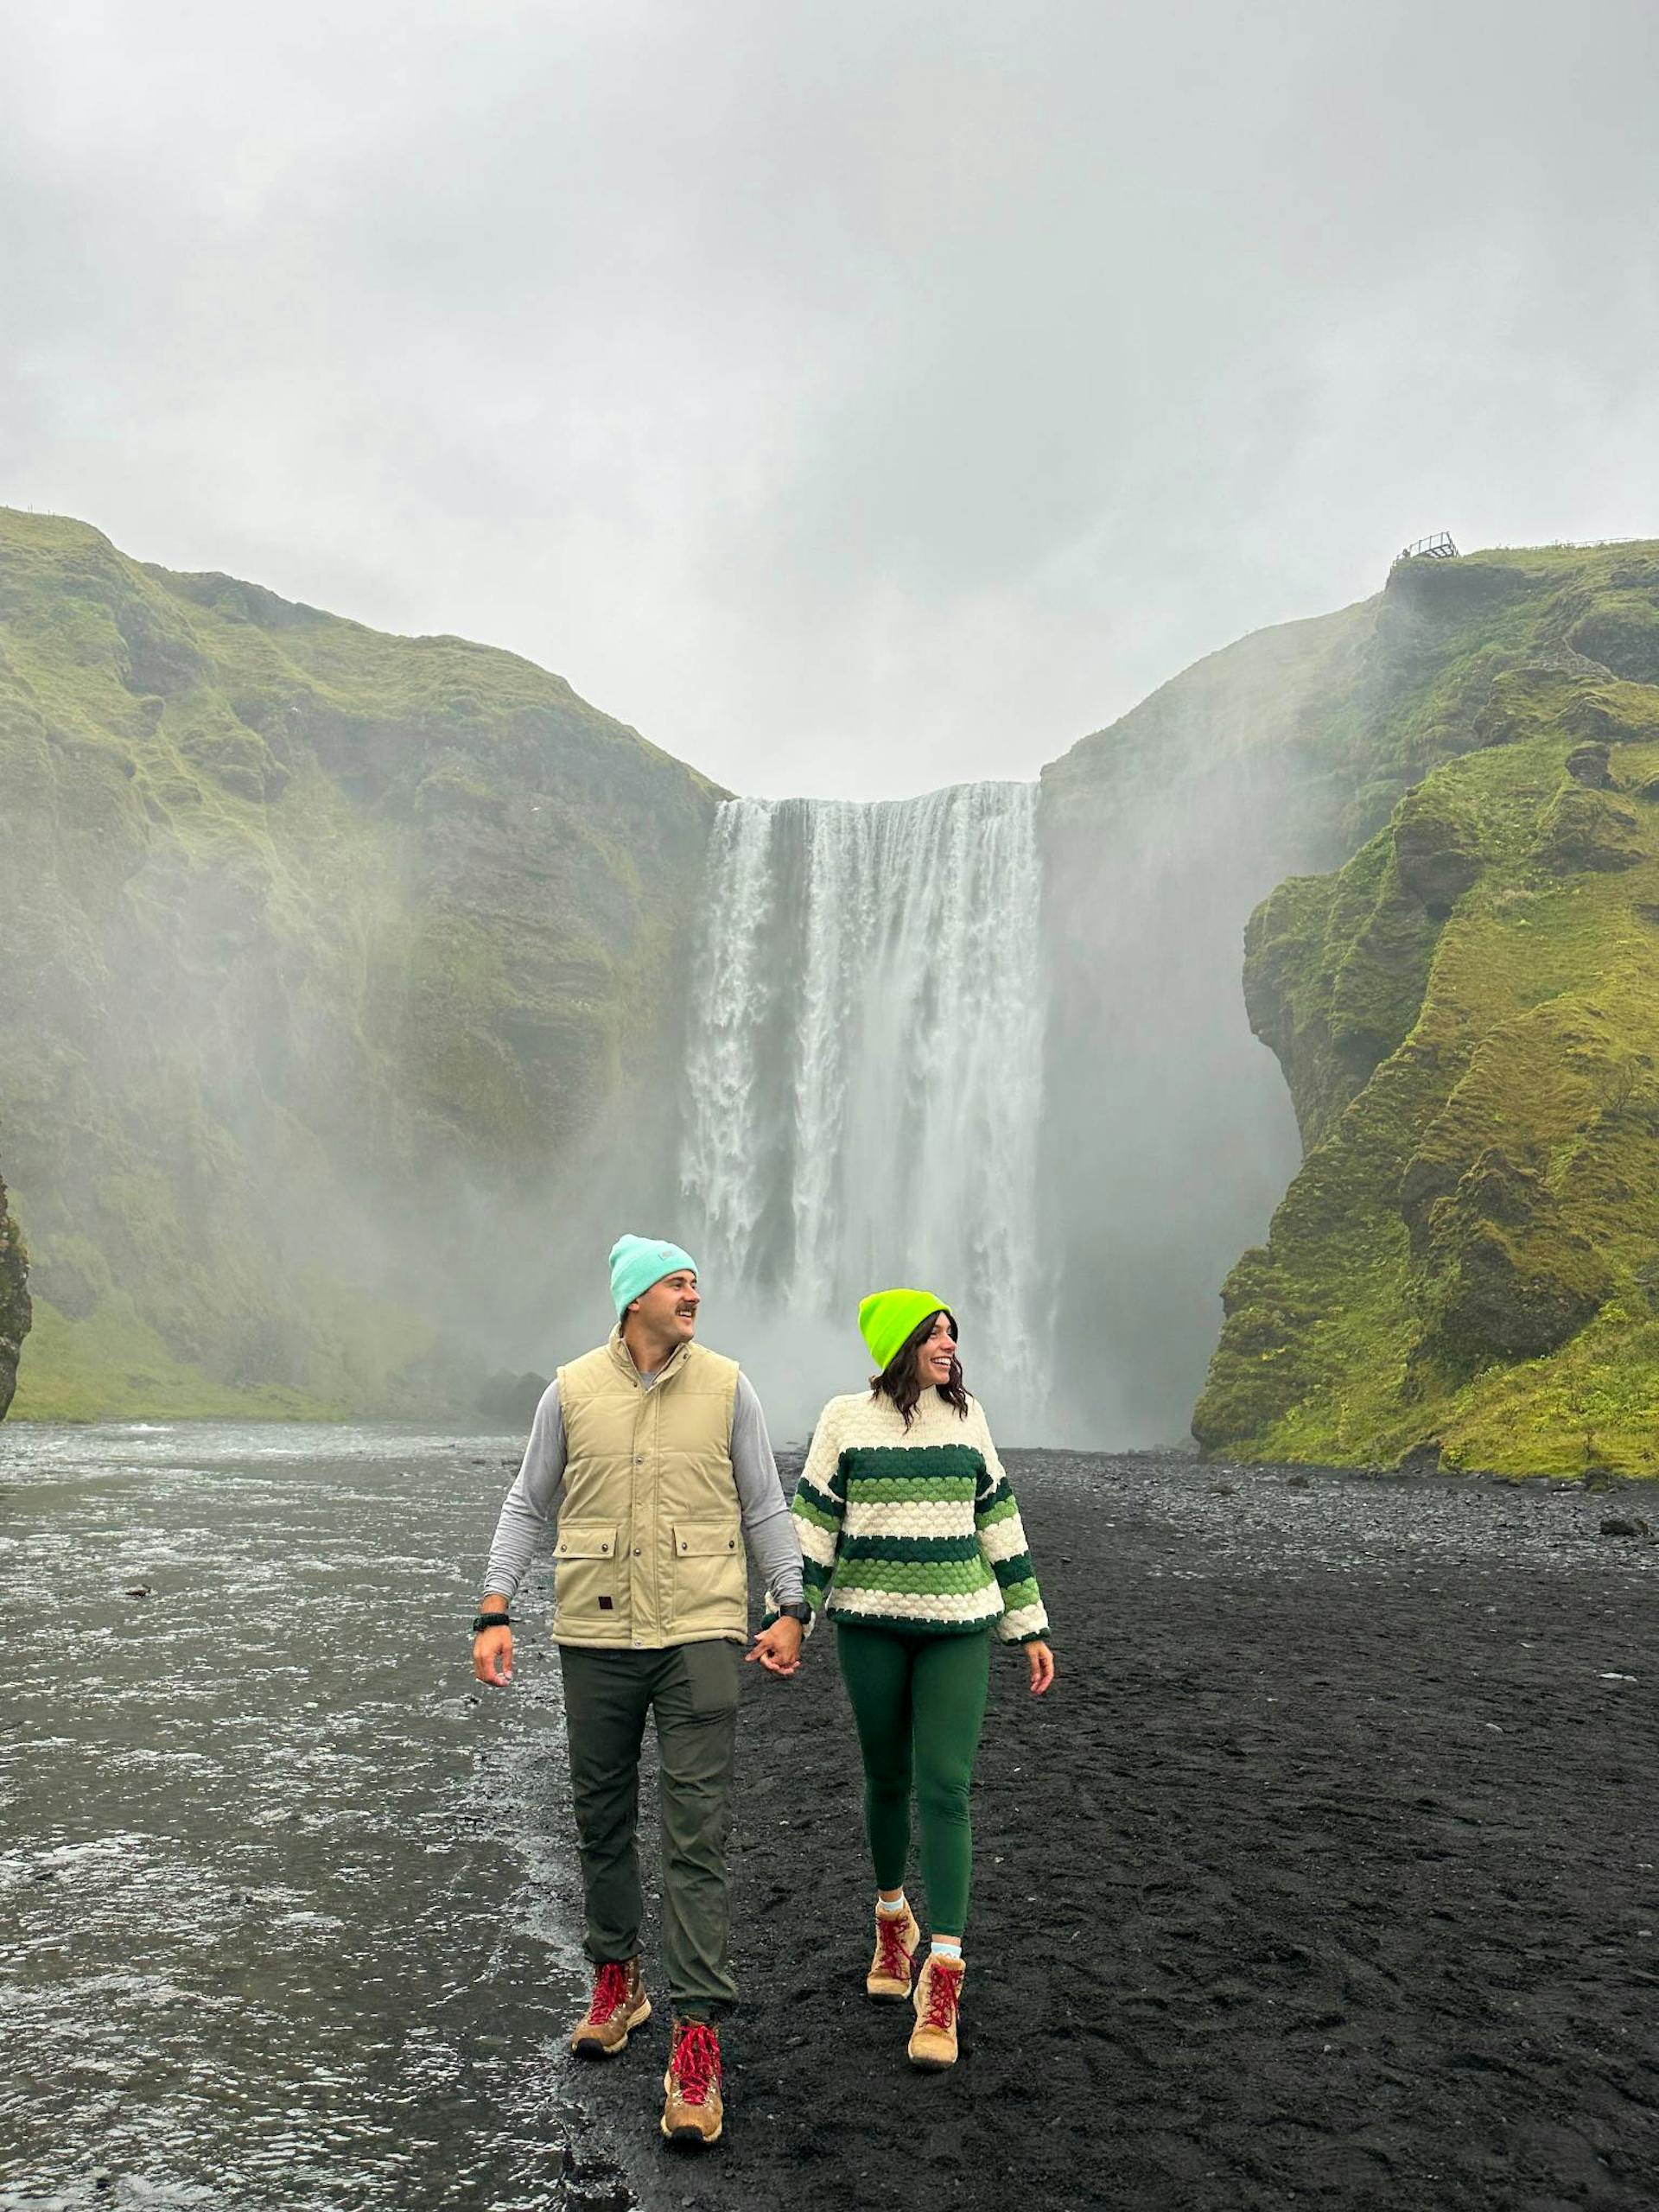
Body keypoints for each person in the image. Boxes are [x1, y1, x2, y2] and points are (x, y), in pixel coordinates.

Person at [473, 1235, 808, 2150]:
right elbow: (526, 1503)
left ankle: (696, 2038)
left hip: (701, 1633)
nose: (695, 1292)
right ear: (633, 1299)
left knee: (696, 1835)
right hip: (596, 1636)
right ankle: (617, 1981)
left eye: (697, 1279)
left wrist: (791, 1604)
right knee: (601, 1817)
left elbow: (765, 1502)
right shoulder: (570, 1390)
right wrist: (494, 1606)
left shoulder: (731, 1386)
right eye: (677, 1280)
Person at [777, 1287, 1054, 2070]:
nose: (948, 1346)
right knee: (886, 1778)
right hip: (867, 1626)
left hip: (956, 1629)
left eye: (951, 1335)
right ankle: (892, 1917)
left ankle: (944, 1971)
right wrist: (793, 1614)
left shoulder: (970, 1418)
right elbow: (812, 1529)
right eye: (934, 1334)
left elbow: (1000, 1520)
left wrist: (1028, 1625)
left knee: (946, 1786)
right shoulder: (842, 1420)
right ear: (899, 1345)